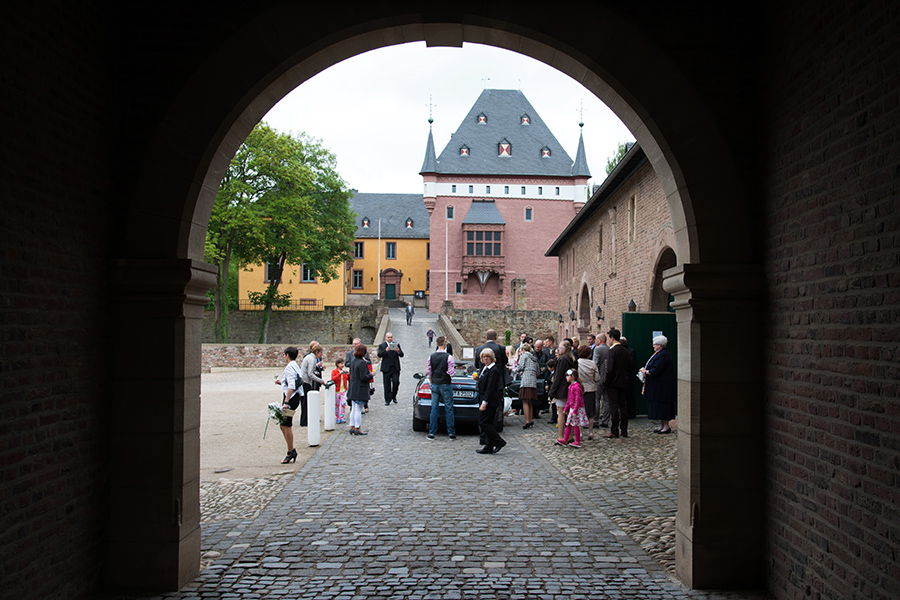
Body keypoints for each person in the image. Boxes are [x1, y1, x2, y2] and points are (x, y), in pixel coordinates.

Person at [640, 335, 676, 434]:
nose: (653, 346)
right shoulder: (659, 354)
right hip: (658, 386)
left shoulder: (663, 355)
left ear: (659, 345)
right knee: (659, 406)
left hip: (662, 387)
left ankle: (666, 426)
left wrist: (646, 371)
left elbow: (657, 369)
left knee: (663, 407)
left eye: (654, 344)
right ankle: (662, 425)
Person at [475, 347, 507, 455]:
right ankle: (488, 446)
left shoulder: (494, 370)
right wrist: (478, 380)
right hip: (485, 398)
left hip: (490, 400)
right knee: (486, 422)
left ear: (491, 358)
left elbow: (490, 388)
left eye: (487, 357)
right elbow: (484, 384)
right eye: (484, 357)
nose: (485, 359)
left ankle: (499, 441)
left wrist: (484, 403)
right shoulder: (486, 368)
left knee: (483, 422)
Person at [274, 346, 303, 463]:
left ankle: (291, 451)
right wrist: (281, 383)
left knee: (286, 424)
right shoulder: (295, 366)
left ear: (287, 355)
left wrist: (286, 401)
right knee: (283, 424)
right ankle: (290, 449)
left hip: (291, 398)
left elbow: (292, 385)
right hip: (293, 397)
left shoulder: (290, 368)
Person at [602, 328, 632, 438]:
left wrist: (606, 381)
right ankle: (624, 430)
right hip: (623, 382)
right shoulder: (625, 351)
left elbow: (610, 369)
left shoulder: (612, 351)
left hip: (613, 383)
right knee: (623, 406)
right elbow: (629, 367)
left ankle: (614, 430)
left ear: (612, 338)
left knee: (614, 407)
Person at [426, 336, 456, 440]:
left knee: (434, 408)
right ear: (445, 344)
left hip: (435, 383)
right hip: (445, 384)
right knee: (449, 408)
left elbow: (429, 371)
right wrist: (451, 375)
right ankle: (451, 432)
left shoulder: (431, 356)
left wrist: (431, 380)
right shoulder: (449, 357)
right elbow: (451, 373)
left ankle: (432, 432)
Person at [548, 340, 576, 430]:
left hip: (562, 389)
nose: (558, 349)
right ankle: (569, 435)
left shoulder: (562, 360)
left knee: (561, 413)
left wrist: (551, 392)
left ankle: (561, 436)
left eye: (560, 348)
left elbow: (558, 378)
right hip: (570, 388)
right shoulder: (572, 359)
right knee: (569, 413)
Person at [557, 369, 588, 448]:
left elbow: (577, 400)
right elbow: (569, 399)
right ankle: (565, 440)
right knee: (570, 424)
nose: (566, 377)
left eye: (568, 376)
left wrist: (574, 410)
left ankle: (577, 441)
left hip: (576, 409)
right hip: (572, 408)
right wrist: (566, 408)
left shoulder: (576, 387)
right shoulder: (571, 386)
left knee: (574, 424)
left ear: (572, 377)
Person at [347, 344, 373, 435]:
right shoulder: (361, 362)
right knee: (358, 409)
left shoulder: (353, 360)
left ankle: (352, 426)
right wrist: (371, 375)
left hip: (353, 387)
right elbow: (363, 377)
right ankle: (358, 427)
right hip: (360, 388)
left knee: (354, 408)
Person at [576, 345, 601, 440]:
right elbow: (597, 378)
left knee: (580, 411)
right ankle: (590, 432)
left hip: (580, 389)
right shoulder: (592, 364)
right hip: (590, 388)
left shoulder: (577, 363)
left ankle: (581, 433)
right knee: (590, 412)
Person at [299, 342, 326, 427]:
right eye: (320, 352)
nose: (321, 354)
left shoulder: (309, 357)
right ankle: (304, 421)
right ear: (317, 352)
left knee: (306, 402)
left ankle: (305, 420)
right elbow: (310, 374)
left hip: (305, 381)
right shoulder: (311, 358)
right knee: (306, 402)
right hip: (305, 382)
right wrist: (320, 380)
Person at [515, 342, 539, 429]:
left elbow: (520, 367)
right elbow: (538, 371)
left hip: (526, 381)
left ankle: (527, 421)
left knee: (524, 401)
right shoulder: (534, 358)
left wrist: (514, 370)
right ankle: (530, 419)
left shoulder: (524, 356)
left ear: (523, 350)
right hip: (533, 381)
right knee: (529, 402)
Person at [377, 332, 403, 405]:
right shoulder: (382, 346)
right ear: (385, 338)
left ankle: (393, 396)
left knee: (396, 382)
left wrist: (398, 351)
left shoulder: (396, 344)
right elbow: (379, 355)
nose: (390, 339)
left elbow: (402, 354)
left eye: (391, 337)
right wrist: (386, 350)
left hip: (395, 368)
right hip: (386, 368)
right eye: (388, 337)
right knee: (386, 385)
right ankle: (387, 399)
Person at [592, 333, 610, 427]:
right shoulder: (609, 349)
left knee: (596, 399)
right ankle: (605, 421)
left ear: (599, 340)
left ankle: (595, 421)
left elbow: (595, 364)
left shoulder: (598, 349)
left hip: (599, 378)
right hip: (608, 378)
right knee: (607, 400)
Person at [621, 336, 639, 419]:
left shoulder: (631, 351)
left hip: (628, 376)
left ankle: (630, 413)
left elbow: (632, 364)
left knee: (629, 395)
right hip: (624, 376)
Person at [330, 358, 350, 424]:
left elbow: (348, 379)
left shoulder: (343, 372)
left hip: (343, 390)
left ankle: (342, 417)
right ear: (337, 364)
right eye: (341, 364)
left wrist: (348, 374)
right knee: (337, 405)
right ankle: (337, 417)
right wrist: (339, 374)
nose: (342, 365)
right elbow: (333, 379)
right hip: (337, 391)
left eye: (343, 364)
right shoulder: (334, 371)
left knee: (343, 403)